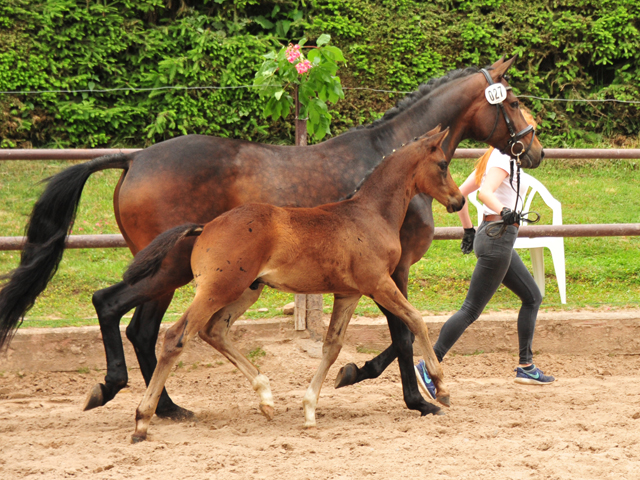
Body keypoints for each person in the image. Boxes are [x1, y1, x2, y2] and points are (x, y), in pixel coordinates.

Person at [415, 110, 555, 401]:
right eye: (529, 133)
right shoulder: (503, 158)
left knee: (532, 297)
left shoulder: (490, 158)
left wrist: (468, 230)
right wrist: (504, 211)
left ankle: (526, 366)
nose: (531, 141)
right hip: (498, 237)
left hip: (493, 237)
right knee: (470, 310)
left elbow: (460, 196)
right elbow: (484, 194)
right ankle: (429, 365)